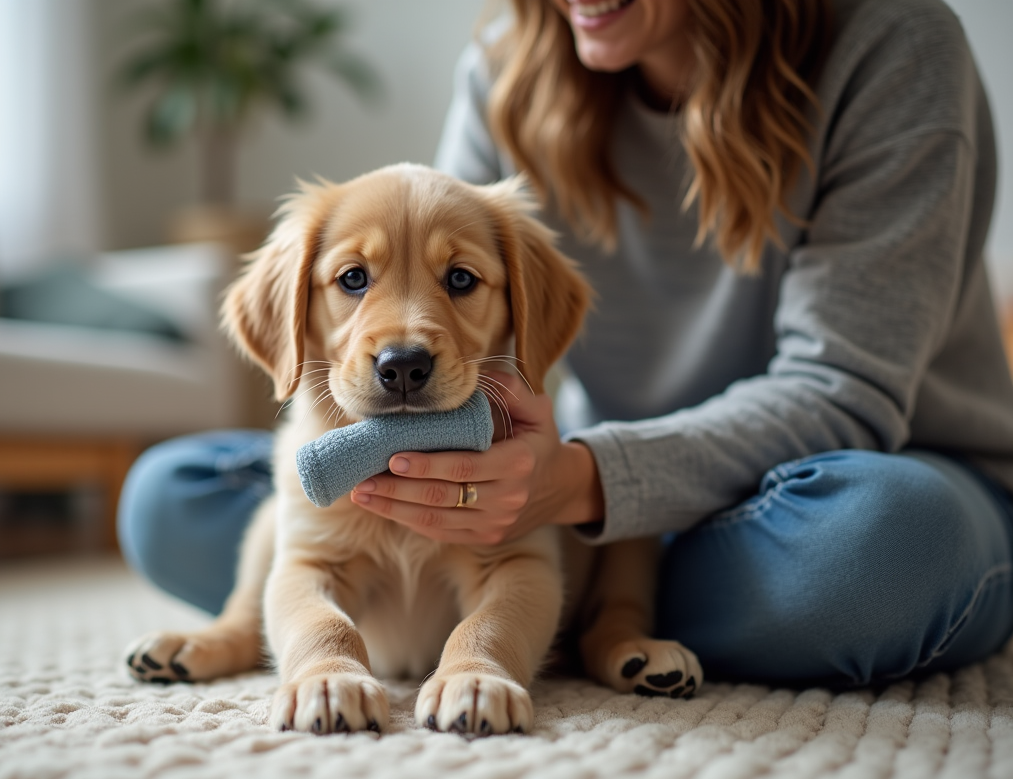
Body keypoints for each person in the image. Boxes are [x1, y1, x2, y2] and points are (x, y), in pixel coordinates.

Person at [119, 0, 1013, 687]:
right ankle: (590, 612)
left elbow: (842, 390)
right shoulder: (515, 58)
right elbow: (424, 279)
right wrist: (525, 485)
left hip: (835, 482)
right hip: (568, 495)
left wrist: (584, 483)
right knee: (168, 494)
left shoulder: (892, 43)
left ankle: (594, 608)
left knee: (883, 552)